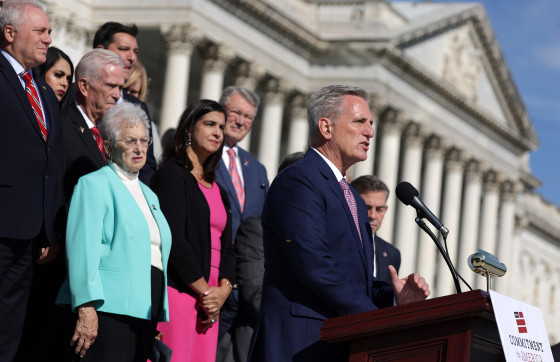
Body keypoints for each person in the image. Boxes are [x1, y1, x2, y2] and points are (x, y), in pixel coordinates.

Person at [248, 85, 430, 362]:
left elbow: (350, 275)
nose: (370, 132)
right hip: (300, 341)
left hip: (337, 340)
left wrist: (393, 297)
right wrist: (375, 319)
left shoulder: (352, 197)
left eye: (370, 123)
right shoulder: (299, 181)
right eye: (359, 122)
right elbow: (315, 266)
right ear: (326, 127)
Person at [56, 101, 172, 361]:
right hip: (108, 306)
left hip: (147, 305)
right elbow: (81, 250)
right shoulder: (93, 184)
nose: (139, 148)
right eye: (130, 140)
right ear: (108, 147)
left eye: (144, 140)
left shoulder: (150, 193)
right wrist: (86, 307)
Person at [0, 2, 63, 360]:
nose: (48, 39)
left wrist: (47, 227)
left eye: (49, 32)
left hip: (28, 234)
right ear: (10, 34)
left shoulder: (40, 89)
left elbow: (51, 162)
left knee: (9, 329)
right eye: (40, 31)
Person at [152, 99, 235, 362]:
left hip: (210, 304)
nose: (217, 133)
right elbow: (173, 238)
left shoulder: (219, 189)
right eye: (210, 124)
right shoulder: (171, 174)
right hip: (180, 292)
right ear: (189, 129)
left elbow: (228, 246)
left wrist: (224, 290)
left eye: (221, 127)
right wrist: (205, 291)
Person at [215, 86, 269, 362]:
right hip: (214, 279)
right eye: (235, 112)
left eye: (248, 117)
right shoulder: (206, 154)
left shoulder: (256, 168)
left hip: (247, 286)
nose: (240, 121)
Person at [93, 21, 158, 184]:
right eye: (124, 49)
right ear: (100, 51)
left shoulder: (139, 106)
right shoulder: (72, 95)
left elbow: (148, 163)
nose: (132, 58)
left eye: (135, 51)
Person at [60, 48, 124, 203]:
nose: (117, 95)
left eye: (120, 87)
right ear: (84, 86)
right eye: (110, 85)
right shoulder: (60, 126)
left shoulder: (115, 132)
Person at [351, 175, 401, 284]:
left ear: (385, 209)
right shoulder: (334, 241)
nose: (373, 216)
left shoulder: (392, 254)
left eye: (379, 209)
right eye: (366, 207)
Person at [124, 61, 163, 161]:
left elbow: (154, 160)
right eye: (124, 89)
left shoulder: (150, 127)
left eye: (133, 92)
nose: (127, 95)